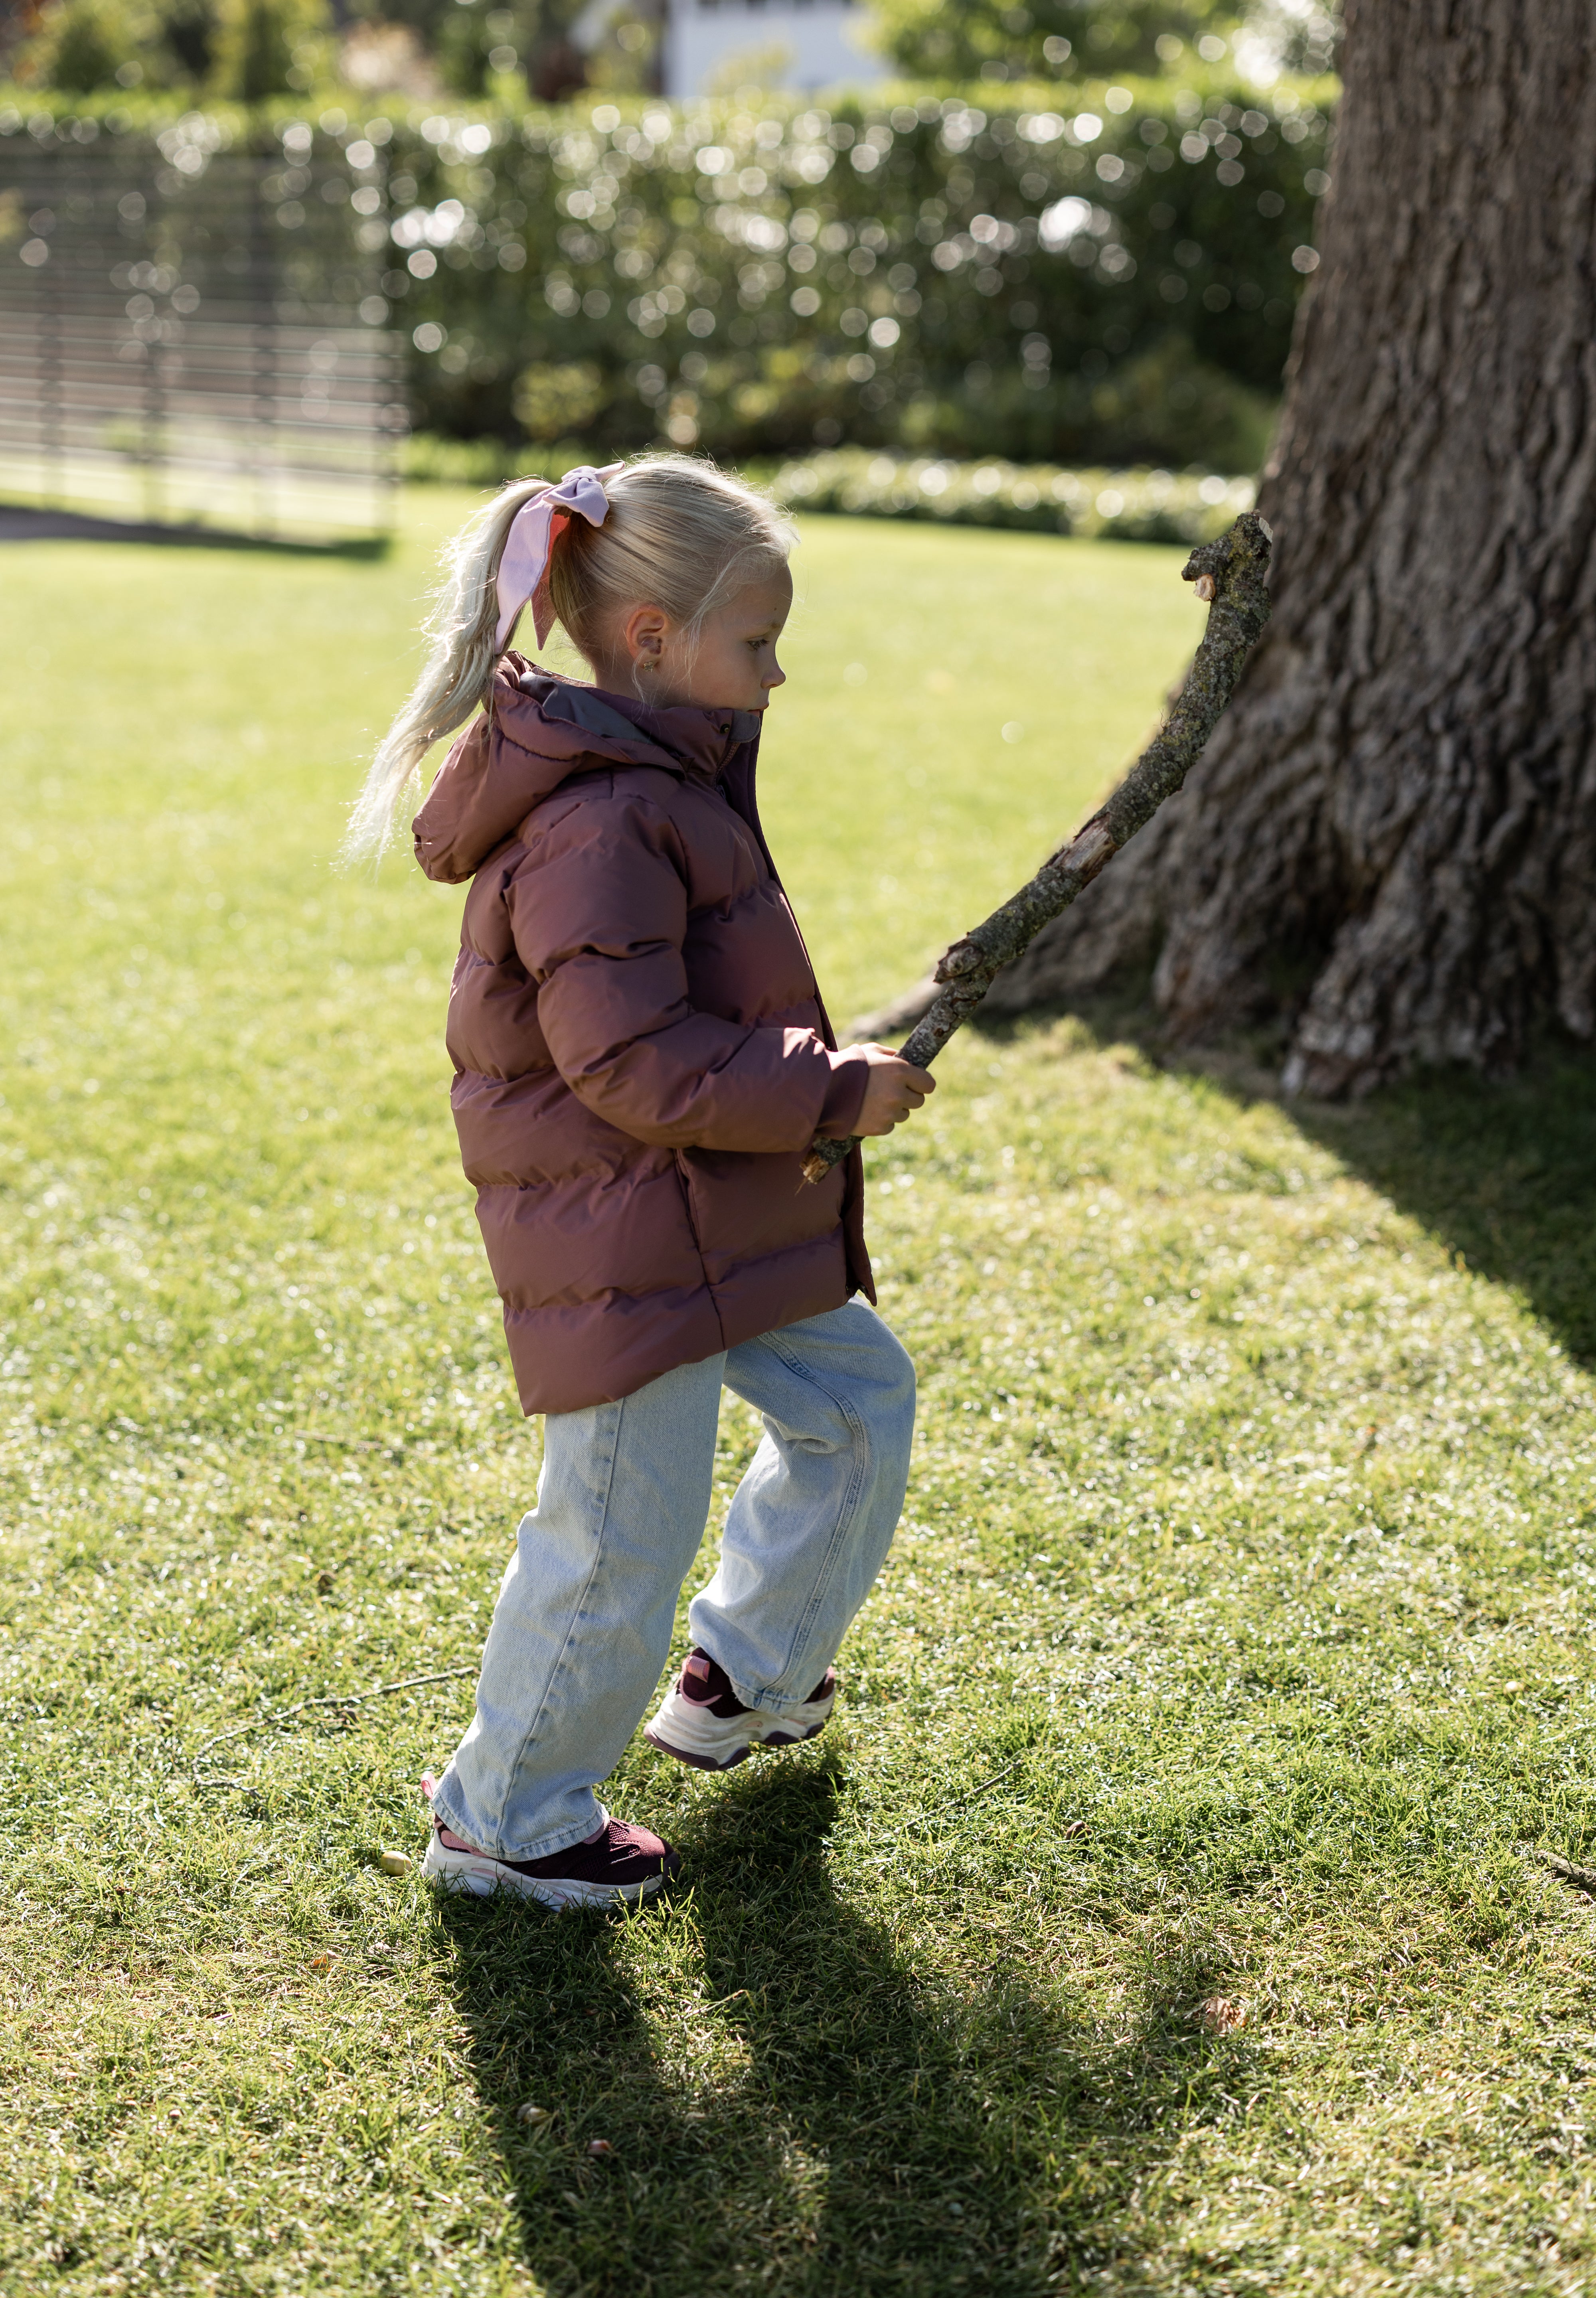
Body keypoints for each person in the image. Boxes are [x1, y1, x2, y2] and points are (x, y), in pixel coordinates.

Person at [348, 456, 934, 1910]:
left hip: (710, 1210)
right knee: (615, 1533)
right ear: (657, 638)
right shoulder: (602, 815)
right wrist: (829, 1093)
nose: (778, 673)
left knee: (859, 1403)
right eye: (759, 642)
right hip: (626, 1234)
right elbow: (629, 1063)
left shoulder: (669, 777)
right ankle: (504, 1817)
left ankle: (747, 1677)